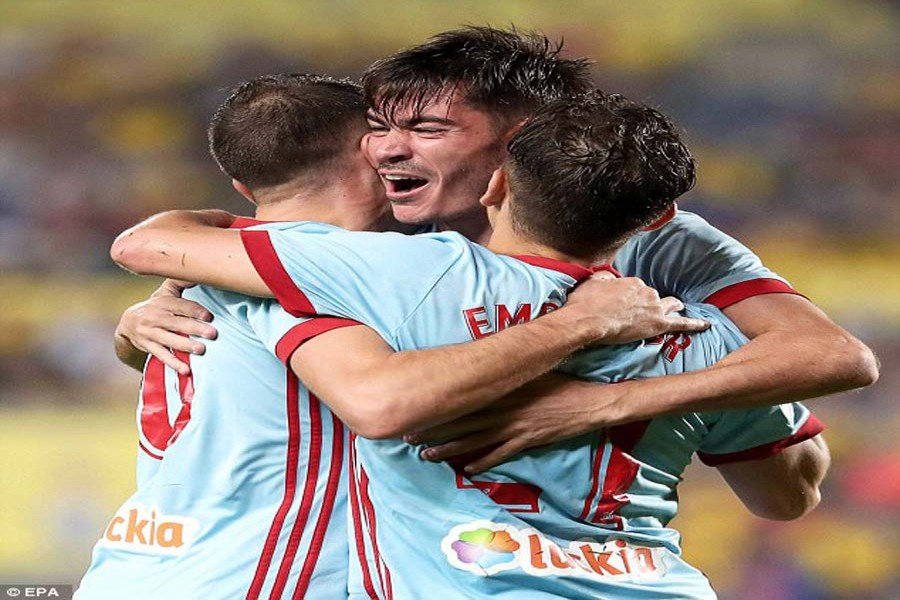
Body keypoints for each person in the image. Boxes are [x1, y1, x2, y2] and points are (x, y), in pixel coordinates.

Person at [110, 90, 831, 598]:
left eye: (422, 133)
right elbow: (791, 490)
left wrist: (157, 300)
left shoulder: (380, 279)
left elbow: (147, 245)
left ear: (496, 182)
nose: (402, 153)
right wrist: (591, 340)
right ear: (657, 218)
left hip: (197, 573)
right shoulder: (715, 333)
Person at [116, 26, 876, 475]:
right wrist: (143, 322)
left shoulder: (659, 241)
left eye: (426, 130)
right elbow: (159, 249)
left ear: (519, 147)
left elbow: (836, 359)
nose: (384, 150)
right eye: (380, 125)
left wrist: (610, 402)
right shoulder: (381, 232)